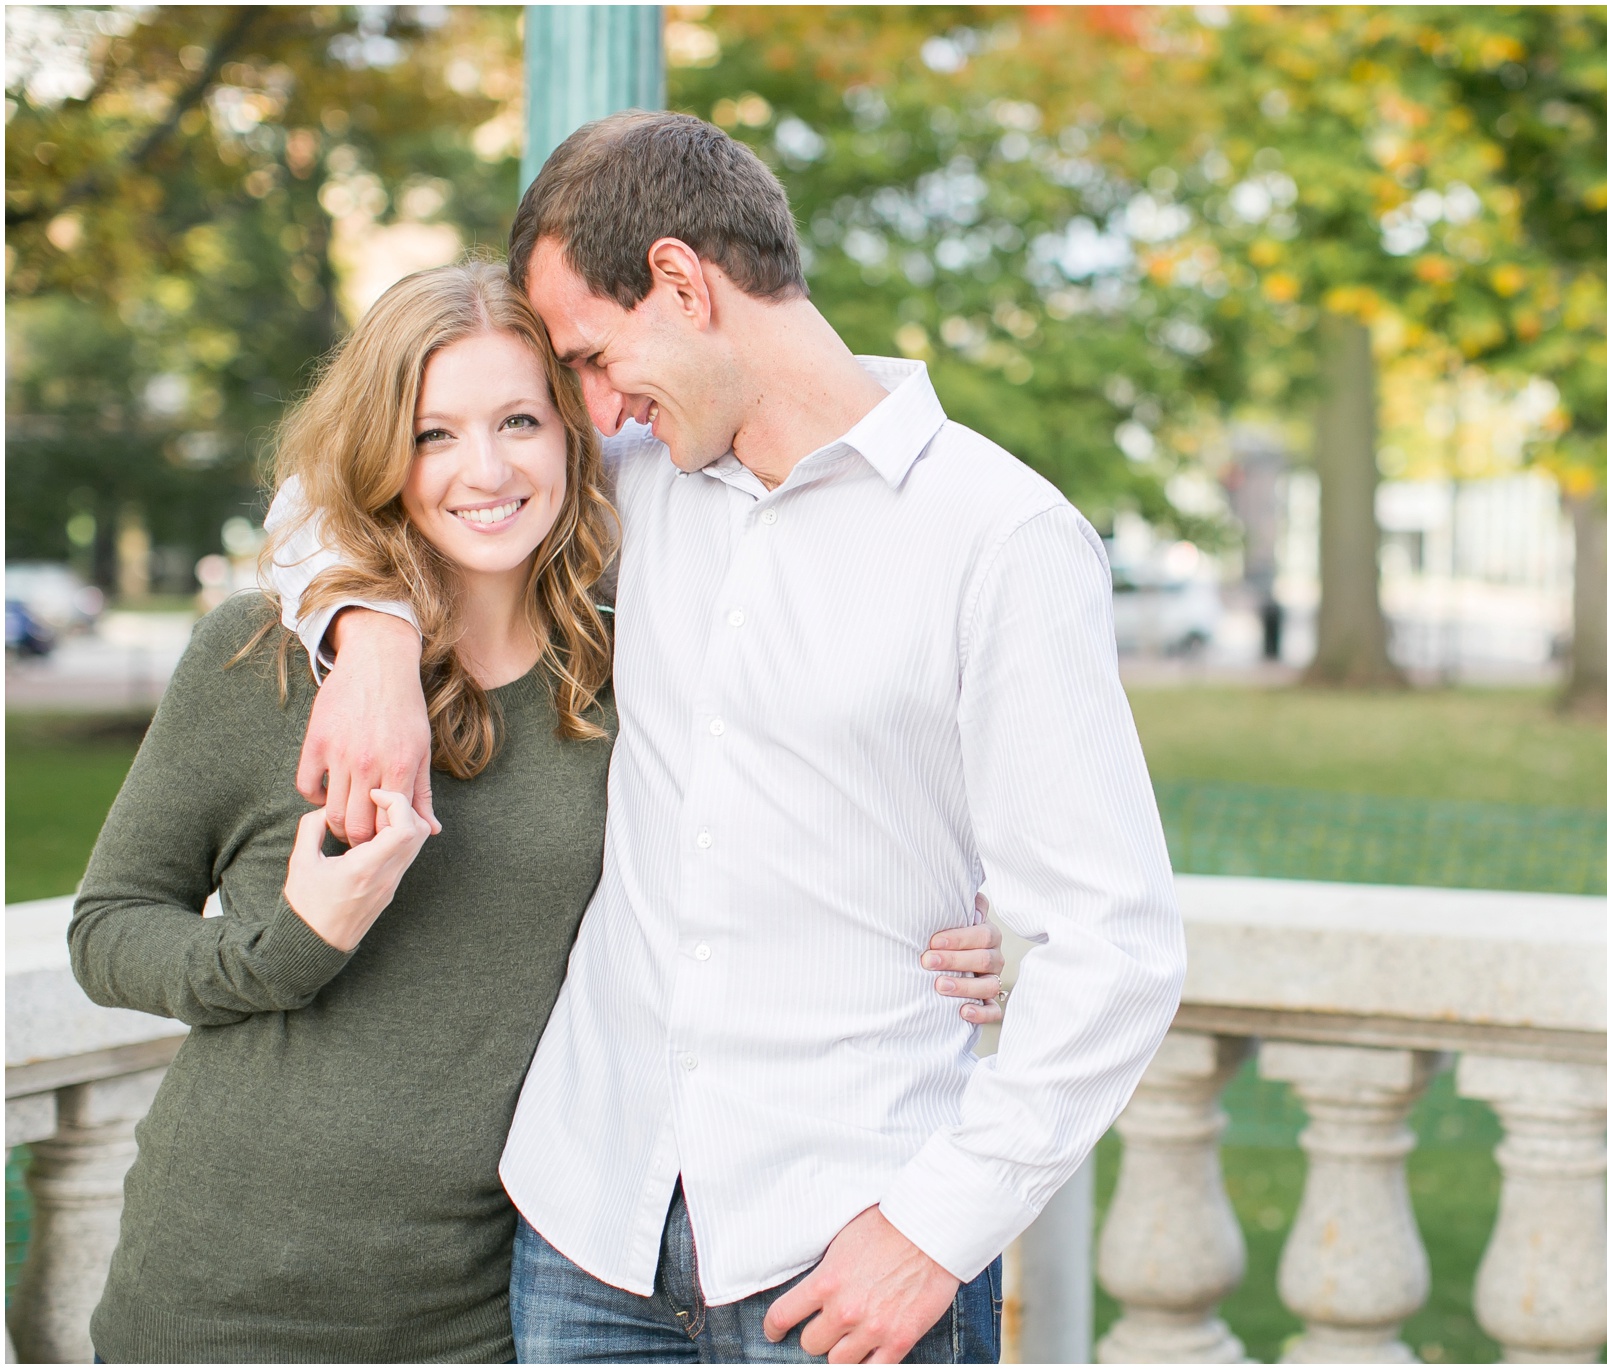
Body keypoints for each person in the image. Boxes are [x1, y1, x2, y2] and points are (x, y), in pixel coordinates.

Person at [270, 110, 1186, 1365]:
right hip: (586, 1235)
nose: (589, 405)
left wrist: (935, 1229)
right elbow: (332, 488)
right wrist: (369, 642)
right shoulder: (629, 483)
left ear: (681, 283)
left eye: (591, 357)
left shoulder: (1001, 538)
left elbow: (1114, 944)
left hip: (849, 1256)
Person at [69, 260, 1006, 1365]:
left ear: (576, 435)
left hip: (482, 1300)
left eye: (519, 419)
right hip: (221, 1283)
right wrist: (287, 946)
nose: (485, 469)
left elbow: (777, 833)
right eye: (431, 434)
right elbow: (107, 930)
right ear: (384, 453)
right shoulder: (260, 661)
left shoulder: (629, 673)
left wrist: (957, 923)